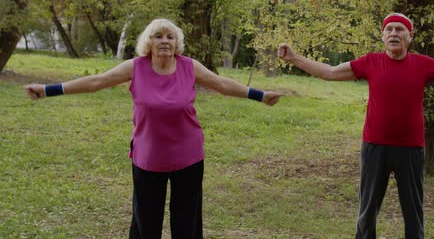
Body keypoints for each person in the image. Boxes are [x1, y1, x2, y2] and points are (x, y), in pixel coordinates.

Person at [277, 12, 434, 239]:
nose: (394, 33)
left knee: (413, 215)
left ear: (410, 36)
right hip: (375, 148)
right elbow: (330, 72)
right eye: (389, 30)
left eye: (400, 29)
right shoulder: (370, 62)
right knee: (367, 214)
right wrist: (294, 58)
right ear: (382, 36)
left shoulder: (423, 64)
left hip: (410, 150)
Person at [25, 18, 282, 238]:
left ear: (177, 43)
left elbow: (221, 83)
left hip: (188, 156)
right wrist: (49, 90)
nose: (165, 41)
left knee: (187, 222)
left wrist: (259, 95)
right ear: (149, 42)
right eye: (158, 36)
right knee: (146, 222)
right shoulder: (136, 67)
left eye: (170, 36)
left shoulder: (188, 66)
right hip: (148, 157)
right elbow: (97, 81)